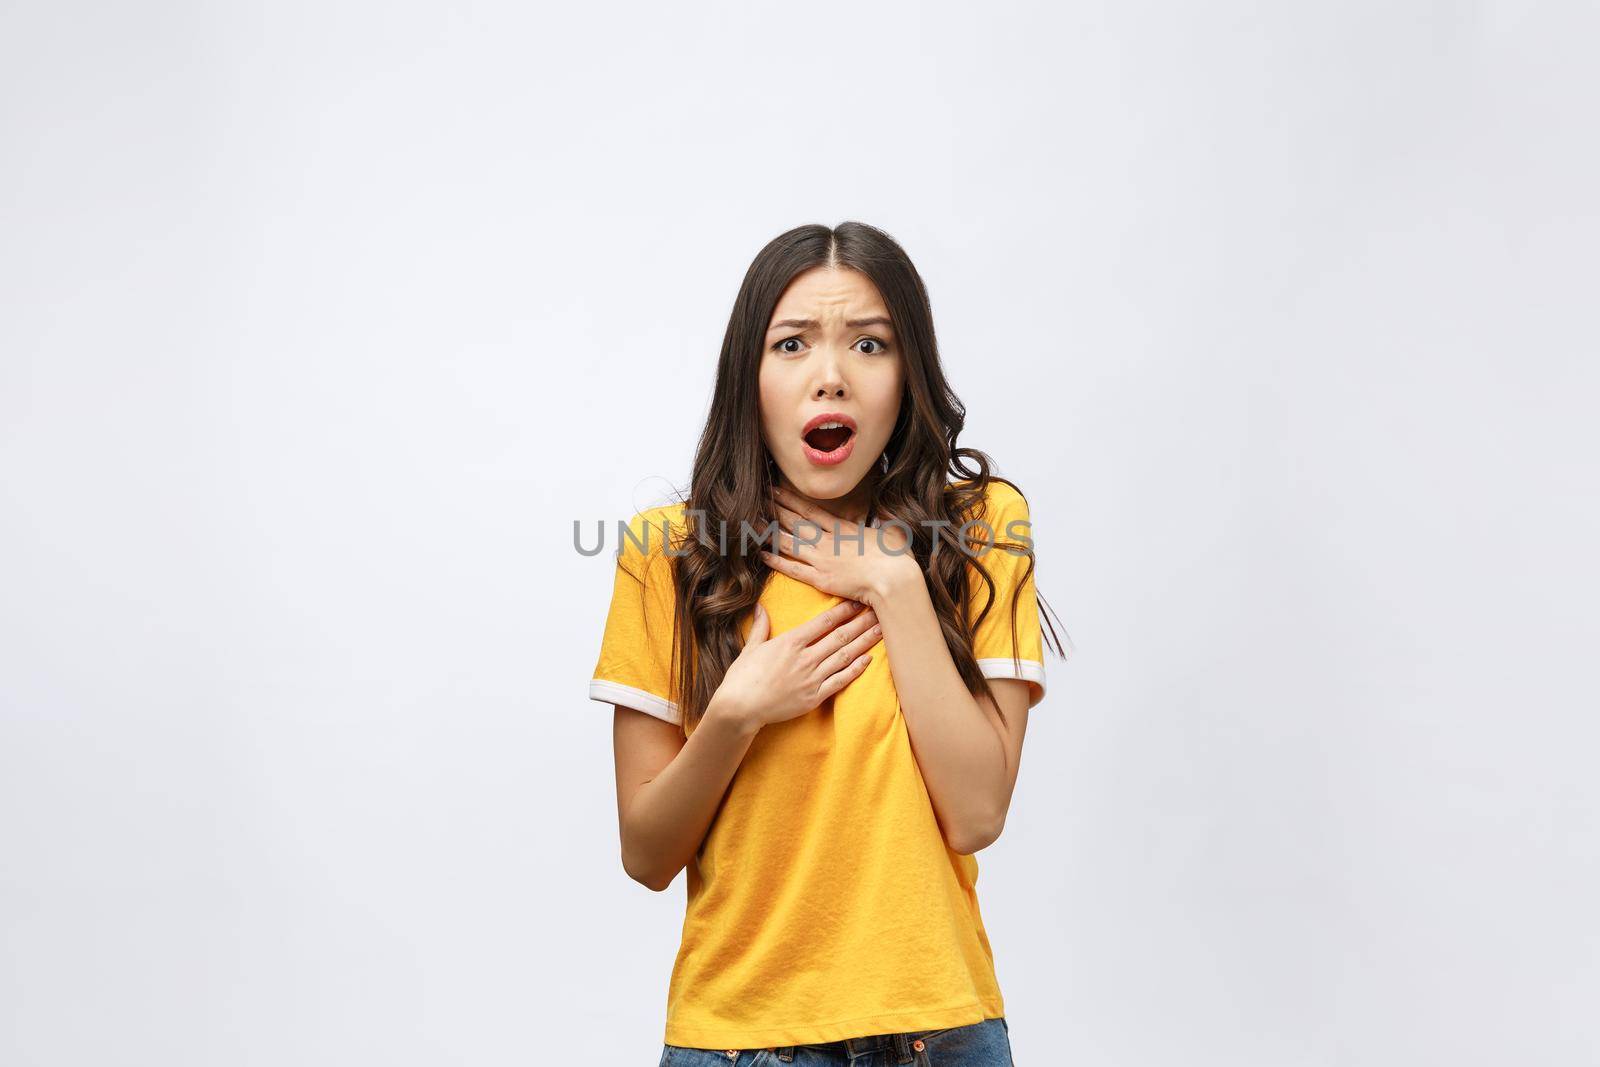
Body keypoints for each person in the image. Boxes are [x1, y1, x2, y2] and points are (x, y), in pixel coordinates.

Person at [588, 221, 1070, 1066]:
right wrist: (736, 712)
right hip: (737, 1046)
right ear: (752, 375)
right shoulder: (666, 551)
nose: (831, 377)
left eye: (870, 344)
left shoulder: (984, 527)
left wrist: (894, 584)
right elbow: (646, 852)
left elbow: (977, 811)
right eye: (793, 344)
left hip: (940, 1034)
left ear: (907, 373)